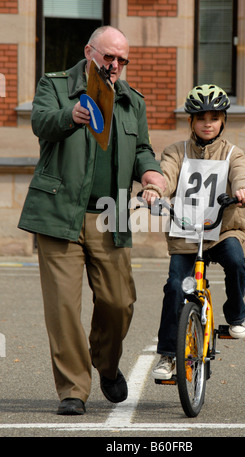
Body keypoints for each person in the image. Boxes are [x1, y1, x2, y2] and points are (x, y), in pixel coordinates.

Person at [18, 26, 166, 414]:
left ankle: (106, 363)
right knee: (63, 307)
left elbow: (144, 148)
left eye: (122, 60)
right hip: (59, 213)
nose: (115, 65)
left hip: (111, 215)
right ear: (89, 52)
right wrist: (73, 114)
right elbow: (41, 122)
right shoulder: (55, 85)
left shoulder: (132, 101)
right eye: (108, 57)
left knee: (119, 303)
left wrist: (151, 173)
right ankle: (73, 390)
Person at [142, 84, 245, 380]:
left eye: (215, 117)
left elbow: (240, 173)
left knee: (235, 260)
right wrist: (154, 190)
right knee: (174, 288)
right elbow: (164, 175)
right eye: (201, 117)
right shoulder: (176, 151)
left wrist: (244, 188)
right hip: (186, 233)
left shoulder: (233, 152)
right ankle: (168, 355)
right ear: (191, 121)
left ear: (223, 122)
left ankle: (235, 315)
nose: (208, 123)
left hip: (222, 230)